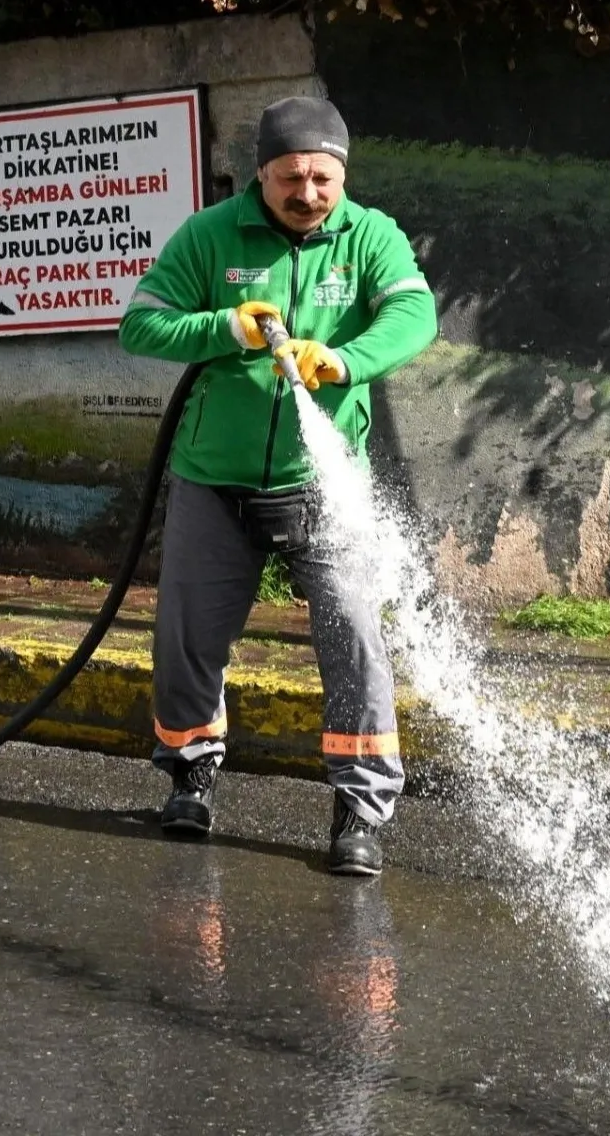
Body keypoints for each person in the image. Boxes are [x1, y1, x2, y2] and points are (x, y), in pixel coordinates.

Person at [116, 96, 438, 876]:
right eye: (291, 177)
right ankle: (190, 774)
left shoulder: (370, 237)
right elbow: (141, 324)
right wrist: (222, 328)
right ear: (260, 173)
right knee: (187, 640)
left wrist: (348, 361)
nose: (308, 194)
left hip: (324, 487)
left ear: (342, 175)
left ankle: (358, 810)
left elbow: (414, 314)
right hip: (212, 483)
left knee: (355, 640)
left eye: (323, 178)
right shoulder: (210, 235)